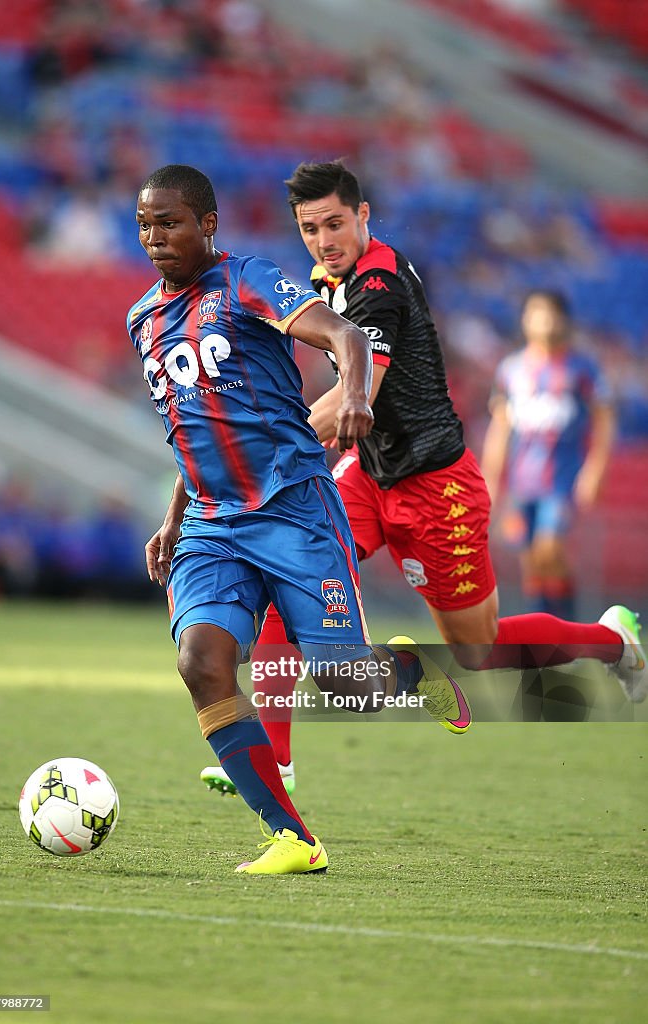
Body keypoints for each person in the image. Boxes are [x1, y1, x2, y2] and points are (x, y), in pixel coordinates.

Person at [200, 160, 647, 799]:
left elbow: (362, 393)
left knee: (476, 648)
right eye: (309, 228)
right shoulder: (329, 279)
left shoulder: (377, 284)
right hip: (367, 476)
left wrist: (261, 443)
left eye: (334, 223)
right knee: (286, 577)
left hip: (437, 488)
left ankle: (612, 640)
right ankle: (276, 759)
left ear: (363, 216)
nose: (324, 240)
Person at [129, 163, 471, 876]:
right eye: (145, 224)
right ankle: (293, 837)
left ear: (207, 225)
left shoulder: (248, 281)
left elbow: (347, 336)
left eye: (170, 222)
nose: (156, 237)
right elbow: (188, 429)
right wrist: (173, 517)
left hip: (292, 509)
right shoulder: (142, 320)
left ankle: (406, 669)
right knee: (202, 662)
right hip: (213, 524)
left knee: (347, 687)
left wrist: (354, 394)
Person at [481, 290, 615, 620]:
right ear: (526, 320)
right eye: (537, 313)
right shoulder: (511, 370)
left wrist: (595, 470)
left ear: (564, 320)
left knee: (549, 547)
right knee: (531, 560)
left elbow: (604, 419)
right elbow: (500, 429)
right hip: (522, 480)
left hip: (562, 478)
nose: (544, 321)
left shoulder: (582, 369)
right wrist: (489, 481)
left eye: (551, 313)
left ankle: (567, 627)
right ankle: (545, 632)